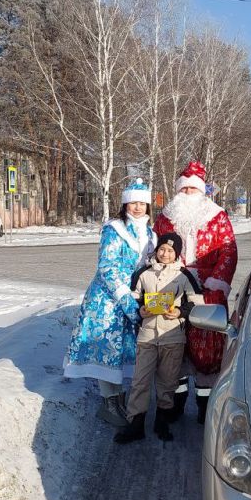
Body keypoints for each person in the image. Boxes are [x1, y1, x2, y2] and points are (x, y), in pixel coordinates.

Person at [64, 178, 156, 427]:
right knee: (108, 350)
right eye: (132, 203)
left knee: (123, 350)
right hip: (107, 298)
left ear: (148, 206)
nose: (137, 207)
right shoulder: (114, 228)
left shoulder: (150, 233)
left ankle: (119, 399)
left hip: (133, 297)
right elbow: (106, 266)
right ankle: (109, 403)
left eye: (142, 203)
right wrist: (124, 295)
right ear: (125, 204)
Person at [153, 161, 237, 424]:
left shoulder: (217, 215)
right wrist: (157, 275)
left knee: (207, 349)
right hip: (170, 285)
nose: (188, 193)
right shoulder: (165, 217)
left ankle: (205, 405)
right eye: (184, 189)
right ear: (178, 190)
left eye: (193, 189)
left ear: (202, 191)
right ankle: (174, 403)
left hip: (206, 290)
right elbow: (153, 250)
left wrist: (215, 282)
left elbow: (228, 251)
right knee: (170, 342)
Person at [114, 232, 202, 444]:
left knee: (167, 382)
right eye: (162, 249)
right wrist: (141, 310)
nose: (165, 253)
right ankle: (135, 424)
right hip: (147, 336)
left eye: (170, 251)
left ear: (177, 254)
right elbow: (134, 298)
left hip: (172, 337)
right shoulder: (143, 273)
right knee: (140, 381)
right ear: (156, 250)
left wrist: (180, 312)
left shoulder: (184, 275)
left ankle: (161, 421)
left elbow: (197, 301)